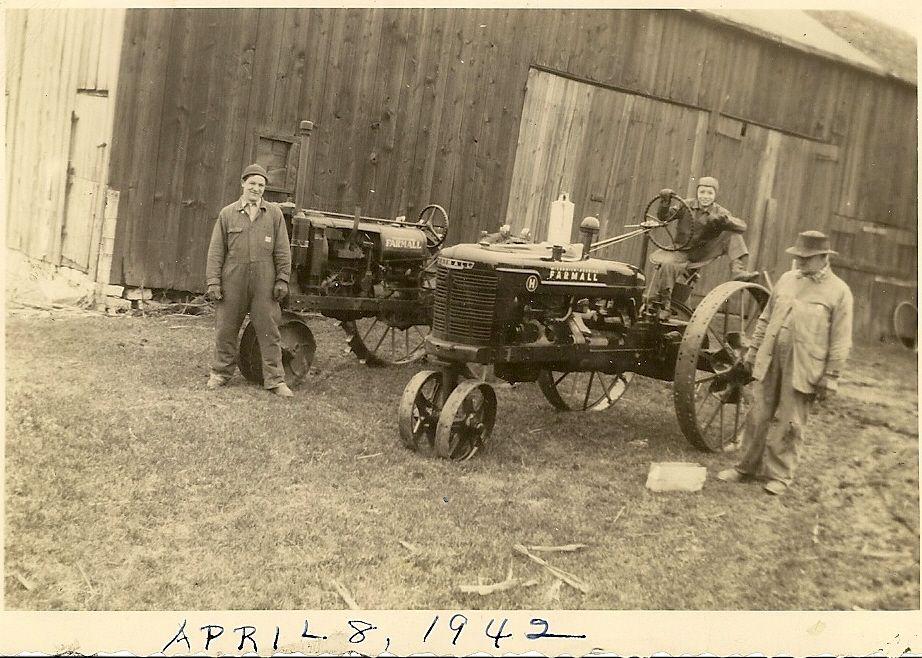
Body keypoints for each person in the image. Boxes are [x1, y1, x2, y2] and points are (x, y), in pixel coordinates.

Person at [718, 230, 854, 495]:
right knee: (757, 413)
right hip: (770, 358)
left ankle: (780, 475)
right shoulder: (787, 279)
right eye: (798, 257)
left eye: (807, 258)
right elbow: (766, 318)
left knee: (790, 421)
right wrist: (753, 351)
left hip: (805, 364)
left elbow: (841, 340)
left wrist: (832, 376)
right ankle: (746, 467)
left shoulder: (839, 292)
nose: (800, 262)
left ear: (824, 258)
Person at [205, 164, 294, 397]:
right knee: (226, 328)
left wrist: (282, 279)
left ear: (265, 189)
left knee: (269, 329)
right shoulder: (227, 214)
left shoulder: (274, 214)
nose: (256, 188)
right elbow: (216, 251)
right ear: (243, 183)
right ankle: (220, 374)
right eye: (252, 183)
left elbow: (283, 250)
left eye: (261, 185)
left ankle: (275, 379)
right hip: (233, 278)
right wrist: (213, 282)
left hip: (265, 281)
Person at [643, 176, 758, 317]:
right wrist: (665, 203)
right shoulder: (685, 205)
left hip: (703, 252)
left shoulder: (720, 211)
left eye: (710, 193)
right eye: (702, 192)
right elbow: (664, 217)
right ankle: (664, 305)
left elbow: (742, 227)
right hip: (681, 250)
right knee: (667, 264)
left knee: (733, 235)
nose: (705, 196)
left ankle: (737, 270)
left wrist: (725, 221)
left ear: (715, 195)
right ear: (697, 192)